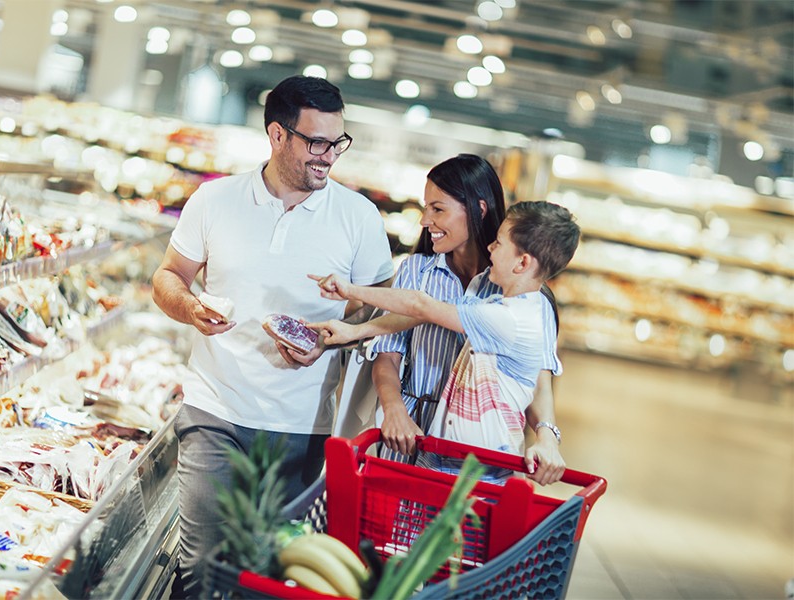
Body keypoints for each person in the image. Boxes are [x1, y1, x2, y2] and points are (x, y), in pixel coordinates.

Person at [152, 75, 394, 597]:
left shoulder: (359, 218)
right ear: (277, 135)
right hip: (213, 410)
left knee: (268, 571)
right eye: (316, 142)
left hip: (303, 425)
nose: (328, 157)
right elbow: (168, 277)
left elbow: (382, 315)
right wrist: (192, 309)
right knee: (201, 564)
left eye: (338, 143)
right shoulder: (215, 199)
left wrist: (334, 338)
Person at [311, 155, 566, 484]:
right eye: (425, 208)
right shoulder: (417, 270)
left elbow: (537, 379)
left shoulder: (519, 294)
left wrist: (547, 435)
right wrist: (394, 410)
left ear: (478, 208)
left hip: (474, 459)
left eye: (438, 209)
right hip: (405, 439)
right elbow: (390, 349)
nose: (425, 220)